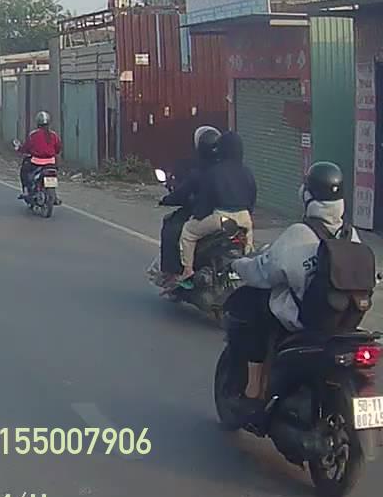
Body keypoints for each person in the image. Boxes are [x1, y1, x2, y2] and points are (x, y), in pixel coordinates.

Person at [227, 162, 361, 420]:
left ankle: (253, 390)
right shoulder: (350, 234)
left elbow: (263, 273)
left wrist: (237, 264)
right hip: (346, 319)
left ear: (308, 196)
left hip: (305, 319)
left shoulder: (300, 234)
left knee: (251, 306)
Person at [175, 131, 256, 285]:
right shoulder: (247, 172)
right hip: (245, 218)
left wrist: (198, 215)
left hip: (221, 218)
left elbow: (205, 201)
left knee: (188, 232)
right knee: (248, 249)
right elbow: (252, 198)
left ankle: (187, 271)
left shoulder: (214, 172)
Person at [153, 125, 220, 286]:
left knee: (173, 227)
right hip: (237, 215)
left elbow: (183, 192)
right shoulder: (228, 167)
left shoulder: (200, 170)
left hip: (205, 213)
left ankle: (176, 272)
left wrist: (167, 200)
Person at [17, 111, 62, 200]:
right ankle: (55, 196)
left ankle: (26, 190)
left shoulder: (33, 135)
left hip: (36, 162)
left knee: (24, 171)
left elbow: (27, 147)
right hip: (51, 162)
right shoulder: (54, 135)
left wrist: (20, 149)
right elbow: (58, 148)